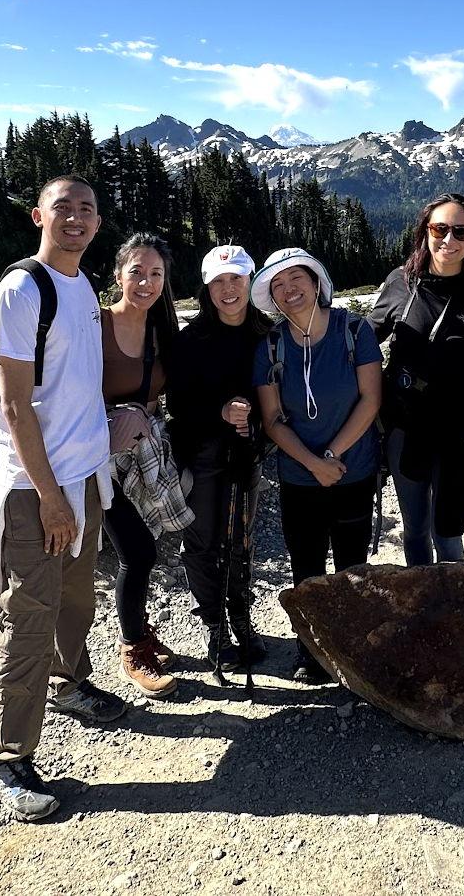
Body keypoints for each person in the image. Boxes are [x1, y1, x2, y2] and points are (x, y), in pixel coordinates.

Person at [0, 174, 127, 824]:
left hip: (84, 474)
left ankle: (69, 685)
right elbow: (15, 405)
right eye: (63, 208)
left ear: (97, 223)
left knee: (76, 594)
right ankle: (9, 759)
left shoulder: (83, 285)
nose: (75, 218)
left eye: (86, 210)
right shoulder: (23, 288)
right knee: (31, 612)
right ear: (38, 214)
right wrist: (49, 496)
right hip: (36, 487)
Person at [251, 247, 382, 682]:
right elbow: (271, 419)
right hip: (299, 476)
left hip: (351, 470)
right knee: (306, 566)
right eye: (279, 285)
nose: (289, 290)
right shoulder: (270, 346)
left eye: (296, 280)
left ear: (316, 282)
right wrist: (314, 463)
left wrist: (331, 457)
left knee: (351, 565)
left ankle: (350, 648)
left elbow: (371, 399)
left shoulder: (354, 330)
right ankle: (314, 651)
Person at [370, 193, 464, 565]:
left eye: (461, 231)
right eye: (440, 229)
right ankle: (423, 612)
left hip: (461, 431)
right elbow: (364, 338)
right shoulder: (400, 283)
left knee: (449, 532)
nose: (449, 240)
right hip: (407, 429)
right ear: (425, 231)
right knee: (416, 529)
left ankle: (458, 609)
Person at [166, 245, 272, 671]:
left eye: (237, 279)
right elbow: (177, 405)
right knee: (203, 540)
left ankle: (241, 620)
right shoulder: (190, 341)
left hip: (248, 452)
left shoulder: (267, 332)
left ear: (249, 282)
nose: (229, 289)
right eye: (219, 282)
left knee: (241, 540)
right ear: (206, 288)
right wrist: (220, 413)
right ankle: (215, 625)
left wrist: (258, 423)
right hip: (201, 454)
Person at [101, 232, 189, 699]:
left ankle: (139, 631)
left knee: (142, 548)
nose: (146, 282)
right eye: (136, 271)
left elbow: (165, 396)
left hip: (142, 457)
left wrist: (142, 412)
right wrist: (118, 415)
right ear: (118, 275)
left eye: (156, 274)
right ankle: (132, 648)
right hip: (96, 462)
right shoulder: (94, 325)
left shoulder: (162, 331)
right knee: (138, 554)